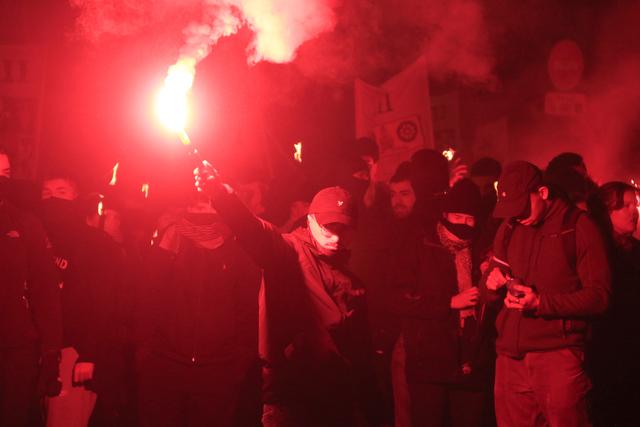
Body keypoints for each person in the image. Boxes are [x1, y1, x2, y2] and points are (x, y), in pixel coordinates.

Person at [196, 164, 377, 427]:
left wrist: (374, 410)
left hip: (339, 401)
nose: (336, 236)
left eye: (344, 228)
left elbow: (363, 356)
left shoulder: (354, 281)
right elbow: (253, 231)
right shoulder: (288, 252)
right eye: (329, 227)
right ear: (310, 219)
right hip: (292, 401)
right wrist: (221, 194)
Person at [481, 161, 610, 427]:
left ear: (542, 193)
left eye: (521, 206)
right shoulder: (509, 228)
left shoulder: (578, 227)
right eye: (510, 209)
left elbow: (599, 297)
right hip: (510, 358)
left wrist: (541, 302)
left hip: (557, 357)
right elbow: (488, 282)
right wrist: (491, 285)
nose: (516, 215)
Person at [136, 193, 262, 427]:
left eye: (207, 209)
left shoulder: (239, 252)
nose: (200, 216)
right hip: (165, 365)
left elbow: (248, 309)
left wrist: (239, 362)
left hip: (218, 369)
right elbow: (146, 295)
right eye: (195, 208)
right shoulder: (171, 244)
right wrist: (147, 354)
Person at [394, 179, 493, 427]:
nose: (464, 224)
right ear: (445, 214)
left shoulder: (482, 249)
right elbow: (399, 298)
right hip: (429, 361)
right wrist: (449, 302)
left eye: (470, 219)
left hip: (471, 363)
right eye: (458, 217)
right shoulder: (421, 245)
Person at [40, 175, 127, 427]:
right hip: (40, 348)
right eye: (46, 192)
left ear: (75, 198)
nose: (53, 197)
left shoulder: (95, 244)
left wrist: (89, 353)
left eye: (61, 191)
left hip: (71, 351)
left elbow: (104, 302)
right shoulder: (35, 235)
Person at [0, 149, 63, 426]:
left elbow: (45, 290)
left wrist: (50, 353)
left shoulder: (25, 223)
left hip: (14, 347)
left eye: (5, 174)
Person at [587, 181, 640, 426]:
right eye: (624, 206)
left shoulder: (636, 250)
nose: (634, 211)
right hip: (606, 350)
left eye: (635, 204)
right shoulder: (598, 252)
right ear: (607, 212)